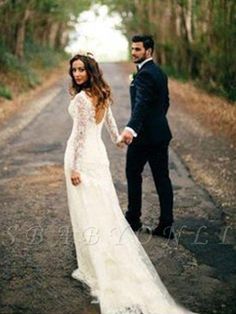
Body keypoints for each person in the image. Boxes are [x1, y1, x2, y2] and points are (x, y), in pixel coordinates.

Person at [64, 53, 197, 313]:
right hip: (98, 156)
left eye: (81, 69)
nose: (77, 74)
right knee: (101, 208)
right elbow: (111, 126)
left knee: (88, 211)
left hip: (82, 159)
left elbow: (80, 136)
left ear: (91, 70)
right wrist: (118, 140)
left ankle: (93, 265)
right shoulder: (101, 93)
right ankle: (99, 257)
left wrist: (76, 168)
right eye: (74, 70)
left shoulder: (82, 99)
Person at [120, 35, 174, 239]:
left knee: (133, 173)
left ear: (148, 51)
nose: (133, 52)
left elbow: (141, 105)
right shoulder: (159, 72)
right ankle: (166, 225)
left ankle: (133, 218)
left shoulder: (143, 75)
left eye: (138, 49)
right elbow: (164, 103)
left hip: (143, 137)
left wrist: (131, 129)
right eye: (132, 49)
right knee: (162, 178)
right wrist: (157, 121)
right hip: (160, 134)